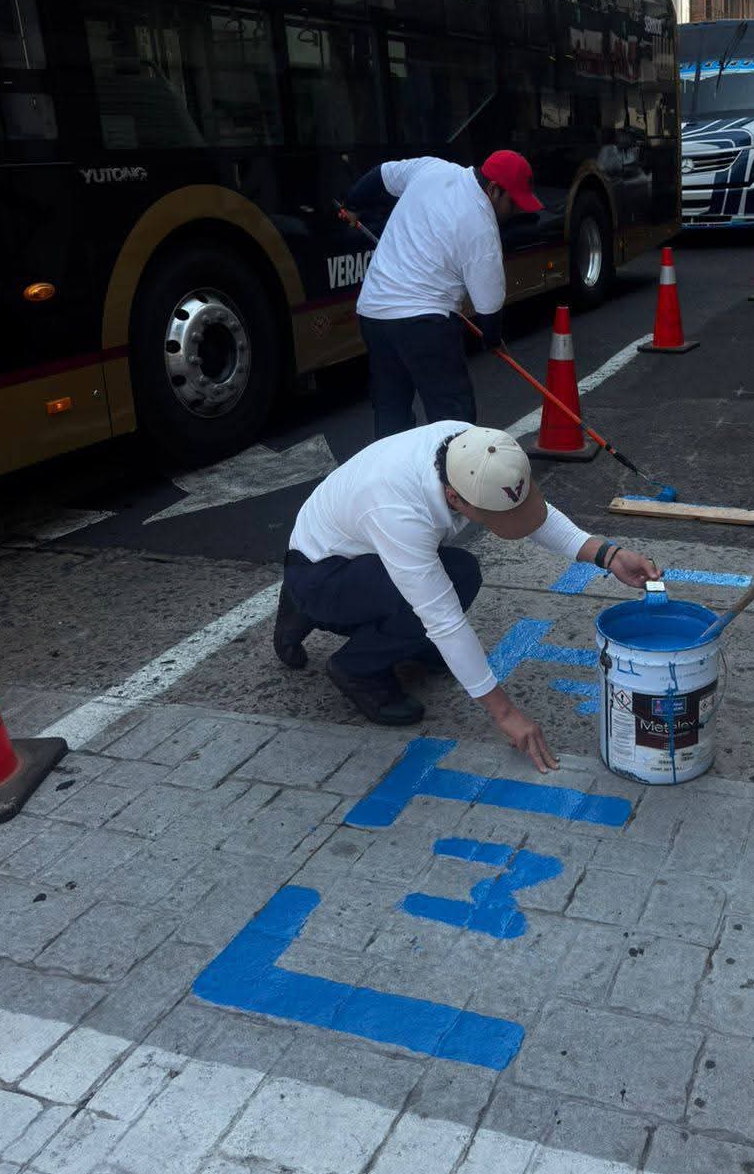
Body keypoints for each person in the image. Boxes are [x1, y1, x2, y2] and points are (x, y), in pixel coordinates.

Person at [273, 422, 660, 771]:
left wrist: (609, 556)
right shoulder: (399, 512)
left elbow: (531, 513)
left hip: (355, 549)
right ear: (454, 498)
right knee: (451, 583)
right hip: (322, 573)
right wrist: (506, 715)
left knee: (455, 575)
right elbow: (442, 619)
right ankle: (355, 667)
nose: (509, 521)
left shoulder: (476, 449)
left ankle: (334, 618)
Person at [342, 151, 541, 440]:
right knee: (453, 416)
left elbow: (380, 176)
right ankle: (453, 469)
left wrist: (352, 206)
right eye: (514, 203)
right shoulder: (482, 228)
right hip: (424, 322)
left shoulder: (432, 168)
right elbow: (489, 310)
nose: (517, 211)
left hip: (374, 312)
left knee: (391, 409)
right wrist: (493, 339)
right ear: (494, 189)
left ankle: (395, 467)